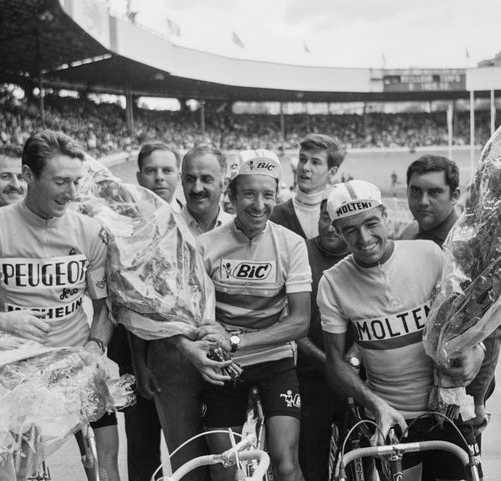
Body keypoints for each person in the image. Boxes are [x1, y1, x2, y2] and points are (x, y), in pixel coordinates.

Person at [0, 130, 120, 481]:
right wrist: (1, 321)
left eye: (77, 181)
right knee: (22, 472)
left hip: (77, 360)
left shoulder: (91, 232)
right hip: (16, 368)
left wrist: (95, 349)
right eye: (61, 181)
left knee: (105, 464)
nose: (73, 193)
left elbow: (104, 308)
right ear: (29, 176)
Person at [320, 180, 483, 481]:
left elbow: (467, 328)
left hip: (449, 412)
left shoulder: (430, 254)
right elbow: (335, 362)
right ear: (338, 231)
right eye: (350, 230)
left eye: (371, 223)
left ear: (384, 215)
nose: (364, 237)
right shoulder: (332, 282)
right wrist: (376, 405)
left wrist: (476, 353)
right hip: (391, 419)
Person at [118, 145, 235, 481]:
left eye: (206, 179)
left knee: (229, 462)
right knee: (187, 465)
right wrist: (140, 362)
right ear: (181, 183)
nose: (197, 187)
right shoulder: (159, 229)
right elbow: (139, 301)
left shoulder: (239, 228)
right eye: (190, 179)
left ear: (223, 183)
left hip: (227, 359)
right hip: (172, 361)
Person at [198, 149, 311, 481]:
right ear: (231, 195)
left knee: (286, 464)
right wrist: (223, 347)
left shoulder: (291, 245)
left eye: (268, 194)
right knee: (224, 467)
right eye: (248, 193)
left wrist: (236, 341)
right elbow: (202, 318)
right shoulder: (206, 245)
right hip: (224, 363)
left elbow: (300, 322)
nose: (259, 204)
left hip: (274, 359)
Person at [400, 155, 501, 437]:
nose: (422, 201)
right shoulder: (409, 233)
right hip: (411, 382)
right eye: (415, 191)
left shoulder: (471, 246)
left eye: (434, 192)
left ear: (454, 195)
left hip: (458, 382)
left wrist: (478, 398)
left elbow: (491, 329)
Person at [296, 197, 350, 481]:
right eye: (325, 218)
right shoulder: (299, 252)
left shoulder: (362, 253)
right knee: (311, 466)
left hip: (356, 377)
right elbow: (289, 323)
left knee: (358, 463)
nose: (331, 227)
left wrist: (350, 360)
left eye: (338, 221)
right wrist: (329, 362)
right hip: (310, 378)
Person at [271, 134, 345, 239]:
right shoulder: (273, 216)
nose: (305, 167)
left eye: (315, 162)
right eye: (303, 159)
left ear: (332, 172)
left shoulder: (343, 216)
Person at [136, 142, 182, 212]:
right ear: (139, 178)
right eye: (150, 171)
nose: (159, 177)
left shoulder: (194, 219)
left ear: (179, 178)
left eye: (167, 170)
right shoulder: (123, 220)